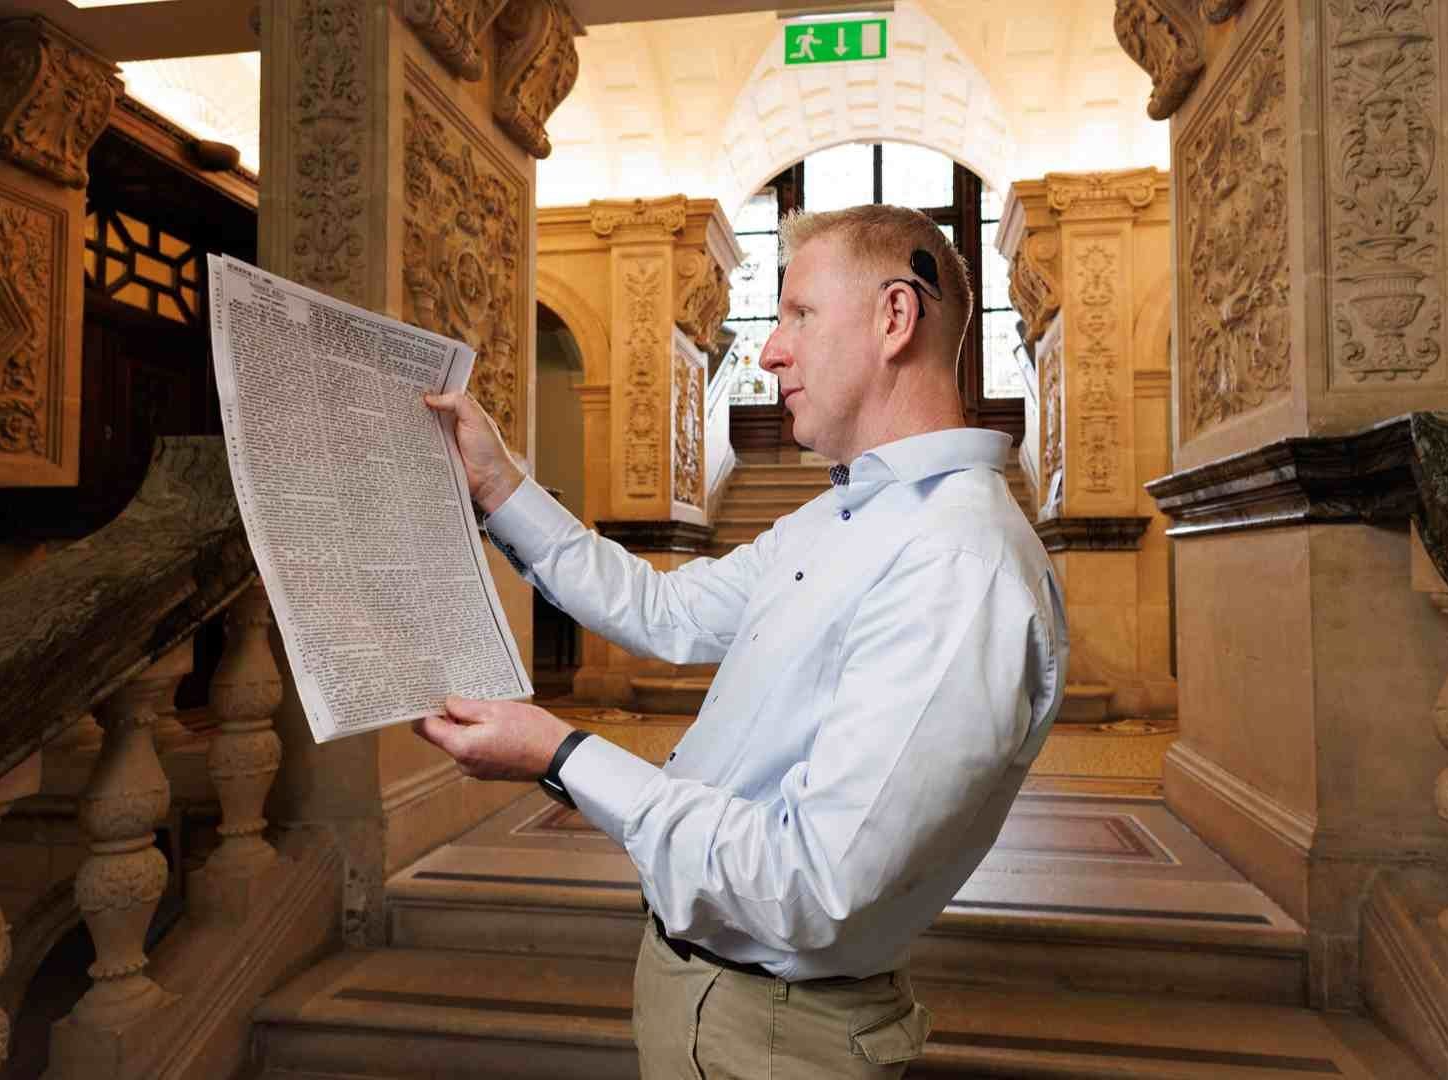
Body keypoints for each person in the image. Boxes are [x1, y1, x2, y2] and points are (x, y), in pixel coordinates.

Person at [419, 203, 1068, 1078]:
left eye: (798, 314)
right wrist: (501, 487)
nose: (768, 351)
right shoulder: (838, 516)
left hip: (779, 1038)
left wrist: (561, 753)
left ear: (894, 318)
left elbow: (813, 885)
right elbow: (665, 611)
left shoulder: (957, 563)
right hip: (706, 995)